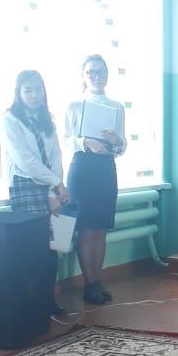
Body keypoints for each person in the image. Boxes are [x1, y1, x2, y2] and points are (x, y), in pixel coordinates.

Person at [2, 69, 69, 315]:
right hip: (26, 184)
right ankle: (29, 304)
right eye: (28, 90)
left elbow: (56, 155)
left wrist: (54, 190)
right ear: (18, 92)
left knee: (53, 246)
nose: (34, 95)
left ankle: (47, 300)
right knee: (33, 247)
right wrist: (56, 182)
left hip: (49, 186)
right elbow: (25, 160)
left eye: (38, 89)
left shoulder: (46, 118)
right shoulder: (11, 119)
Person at [63, 55, 126, 305]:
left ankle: (97, 281)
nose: (96, 76)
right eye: (91, 72)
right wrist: (85, 142)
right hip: (82, 167)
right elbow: (65, 140)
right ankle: (89, 284)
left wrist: (117, 141)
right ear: (83, 75)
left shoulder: (117, 106)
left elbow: (121, 145)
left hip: (105, 168)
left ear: (107, 74)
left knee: (100, 229)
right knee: (86, 228)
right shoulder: (75, 104)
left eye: (100, 71)